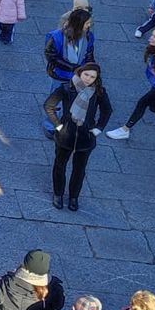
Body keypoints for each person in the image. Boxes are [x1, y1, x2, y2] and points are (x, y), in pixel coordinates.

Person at [43, 62, 112, 211]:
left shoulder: (99, 92)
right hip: (66, 134)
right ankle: (58, 194)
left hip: (85, 136)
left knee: (80, 169)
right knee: (60, 165)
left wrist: (98, 128)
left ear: (96, 78)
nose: (88, 79)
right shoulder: (67, 88)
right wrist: (58, 125)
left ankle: (74, 197)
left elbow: (107, 110)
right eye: (86, 74)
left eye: (92, 77)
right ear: (80, 73)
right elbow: (49, 105)